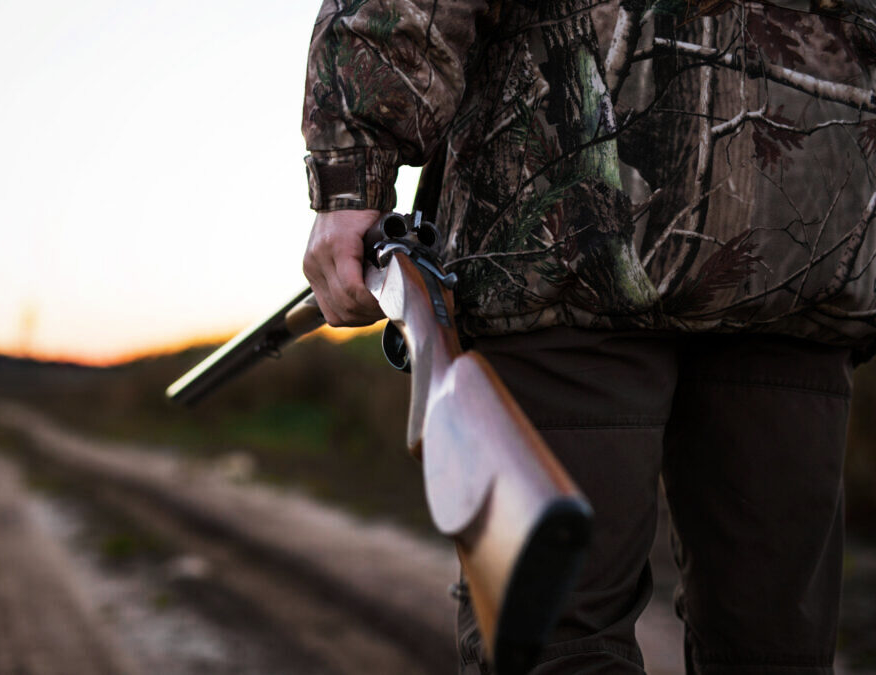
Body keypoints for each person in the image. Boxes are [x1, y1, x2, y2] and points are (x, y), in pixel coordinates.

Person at [299, 1, 876, 672]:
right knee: (776, 651)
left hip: (567, 238)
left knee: (555, 642)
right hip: (814, 234)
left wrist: (351, 172)